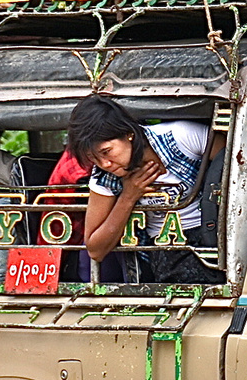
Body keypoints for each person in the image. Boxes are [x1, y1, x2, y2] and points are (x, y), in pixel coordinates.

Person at [67, 96, 224, 284]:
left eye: (106, 151)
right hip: (166, 253)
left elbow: (236, 164)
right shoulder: (103, 177)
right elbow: (95, 249)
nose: (105, 164)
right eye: (94, 158)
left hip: (216, 237)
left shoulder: (180, 137)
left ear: (128, 133)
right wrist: (128, 197)